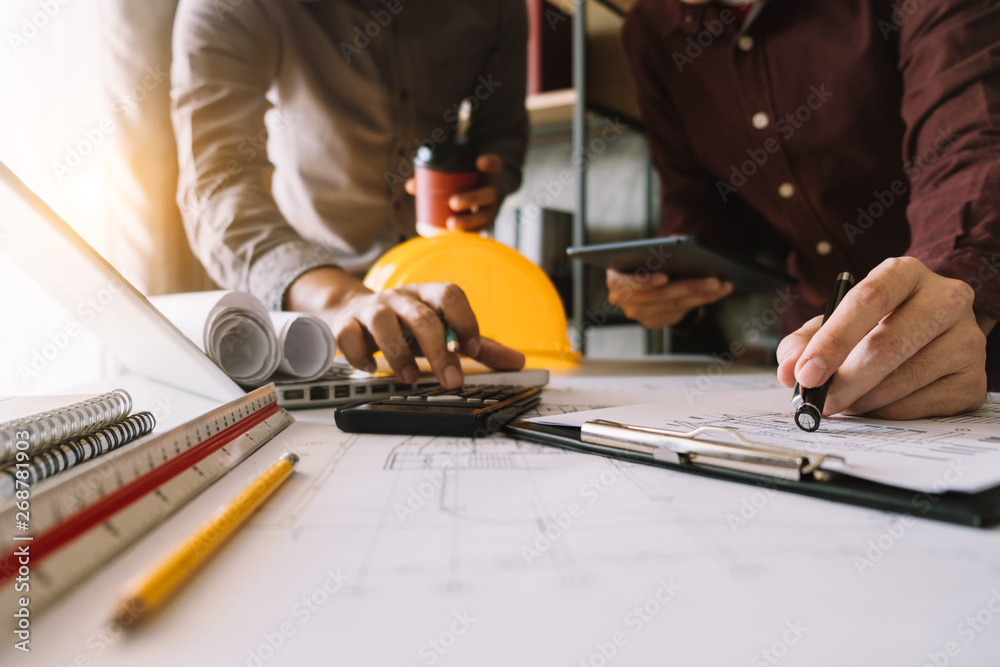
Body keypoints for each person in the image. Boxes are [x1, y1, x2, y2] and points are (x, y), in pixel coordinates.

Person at [611, 0, 1000, 420]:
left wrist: (949, 289)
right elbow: (695, 199)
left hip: (974, 335)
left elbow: (969, 144)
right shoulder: (651, 29)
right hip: (802, 351)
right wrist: (667, 276)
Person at [170, 0, 529, 388]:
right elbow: (217, 187)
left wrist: (494, 179)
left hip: (454, 301)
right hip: (314, 304)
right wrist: (336, 299)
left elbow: (503, 134)